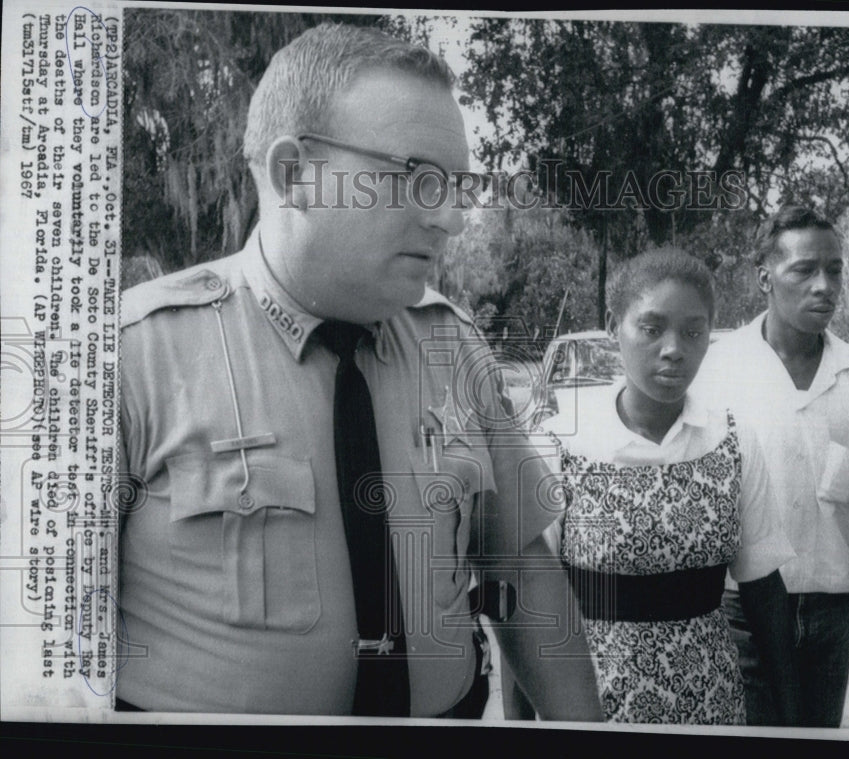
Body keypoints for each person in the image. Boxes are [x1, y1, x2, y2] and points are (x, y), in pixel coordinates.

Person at [116, 22, 602, 719]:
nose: (454, 219)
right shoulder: (133, 357)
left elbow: (519, 569)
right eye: (417, 179)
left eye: (457, 185)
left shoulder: (453, 345)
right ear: (294, 175)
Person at [692, 205, 849, 727]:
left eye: (835, 269)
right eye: (804, 270)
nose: (824, 285)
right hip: (741, 615)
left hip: (832, 616)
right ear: (765, 279)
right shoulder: (718, 373)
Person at [539, 249, 799, 724]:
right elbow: (532, 600)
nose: (674, 348)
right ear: (613, 324)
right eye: (652, 328)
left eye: (693, 331)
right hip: (592, 705)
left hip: (709, 703)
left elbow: (764, 588)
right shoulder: (563, 441)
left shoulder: (731, 441)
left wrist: (790, 718)